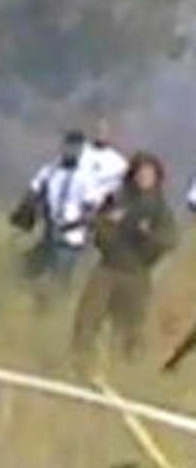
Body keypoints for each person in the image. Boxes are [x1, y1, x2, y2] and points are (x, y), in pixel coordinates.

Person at [72, 152, 178, 374]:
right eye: (140, 172)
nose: (144, 178)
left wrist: (148, 236)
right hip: (108, 268)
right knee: (87, 318)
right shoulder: (117, 199)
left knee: (130, 328)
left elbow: (169, 241)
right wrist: (109, 225)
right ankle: (79, 362)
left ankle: (127, 370)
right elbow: (97, 227)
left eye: (149, 174)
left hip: (136, 275)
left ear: (157, 178)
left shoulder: (160, 209)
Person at [10, 131, 96, 295]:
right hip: (49, 231)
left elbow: (90, 208)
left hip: (71, 237)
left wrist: (77, 226)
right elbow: (34, 190)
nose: (71, 151)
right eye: (68, 146)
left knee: (60, 279)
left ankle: (54, 308)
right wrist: (26, 209)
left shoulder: (86, 176)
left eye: (76, 147)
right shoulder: (50, 170)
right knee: (27, 270)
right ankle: (28, 300)